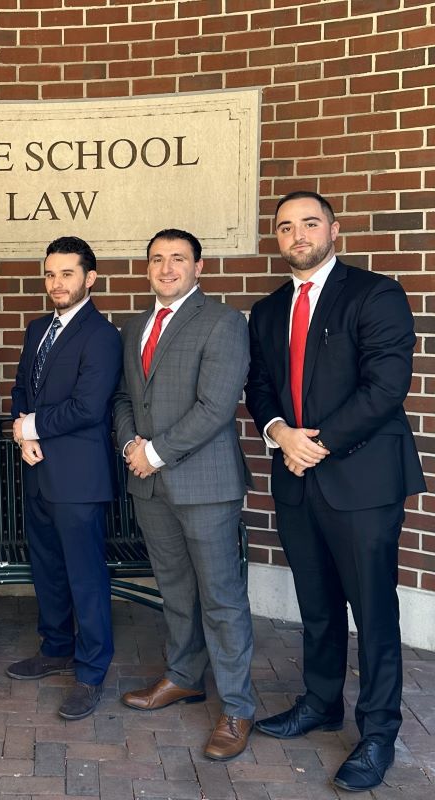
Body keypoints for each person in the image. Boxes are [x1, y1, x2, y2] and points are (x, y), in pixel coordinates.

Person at [245, 191, 426, 791]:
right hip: (296, 480)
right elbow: (262, 386)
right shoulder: (269, 311)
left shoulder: (376, 294)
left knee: (372, 611)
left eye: (309, 223)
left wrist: (313, 443)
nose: (298, 234)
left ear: (334, 229)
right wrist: (277, 432)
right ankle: (321, 701)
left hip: (361, 477)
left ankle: (378, 731)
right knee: (317, 604)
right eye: (285, 227)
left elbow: (386, 386)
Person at [113, 229, 255, 760]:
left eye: (178, 259)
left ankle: (238, 707)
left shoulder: (222, 323)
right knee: (175, 591)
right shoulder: (134, 327)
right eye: (157, 259)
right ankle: (183, 676)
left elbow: (216, 408)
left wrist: (156, 452)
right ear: (146, 267)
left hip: (204, 485)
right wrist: (131, 443)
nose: (167, 268)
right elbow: (125, 396)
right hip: (151, 487)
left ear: (199, 267)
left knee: (221, 598)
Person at [7, 236, 122, 721]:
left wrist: (30, 425)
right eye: (50, 274)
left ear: (89, 278)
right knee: (48, 569)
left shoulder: (102, 335)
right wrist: (21, 432)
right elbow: (19, 388)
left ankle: (91, 670)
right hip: (37, 470)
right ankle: (55, 647)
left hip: (79, 478)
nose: (57, 283)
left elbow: (88, 407)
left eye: (67, 274)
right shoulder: (37, 328)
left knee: (85, 577)